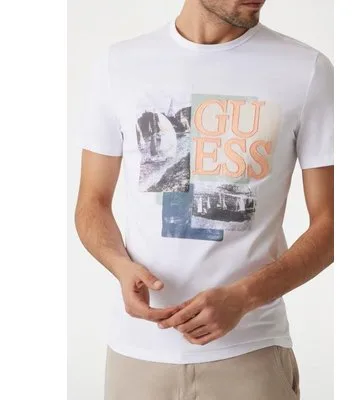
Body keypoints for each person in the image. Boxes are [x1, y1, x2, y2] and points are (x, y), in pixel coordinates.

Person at [75, 0, 334, 398]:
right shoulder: (119, 65)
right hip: (138, 355)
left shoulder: (306, 70)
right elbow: (92, 202)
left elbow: (333, 223)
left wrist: (243, 298)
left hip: (250, 353)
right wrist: (119, 266)